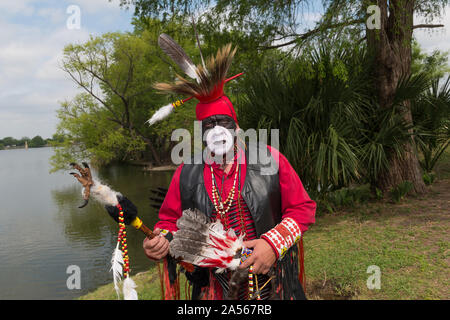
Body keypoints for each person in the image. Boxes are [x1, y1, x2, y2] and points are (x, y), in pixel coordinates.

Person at [142, 37, 316, 300]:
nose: (216, 132)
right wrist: (161, 240)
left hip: (275, 284)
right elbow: (169, 222)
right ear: (200, 134)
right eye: (208, 127)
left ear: (236, 127)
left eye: (222, 123)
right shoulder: (187, 172)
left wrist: (272, 244)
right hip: (216, 289)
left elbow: (303, 209)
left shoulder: (269, 159)